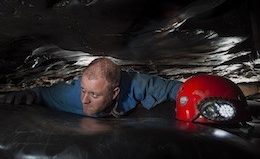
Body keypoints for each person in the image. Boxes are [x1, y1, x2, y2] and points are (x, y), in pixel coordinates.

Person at [0, 57, 182, 117]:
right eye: (83, 90)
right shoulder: (70, 93)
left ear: (114, 93)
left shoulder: (139, 85)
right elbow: (41, 94)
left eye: (94, 95)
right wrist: (28, 94)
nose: (84, 100)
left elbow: (177, 89)